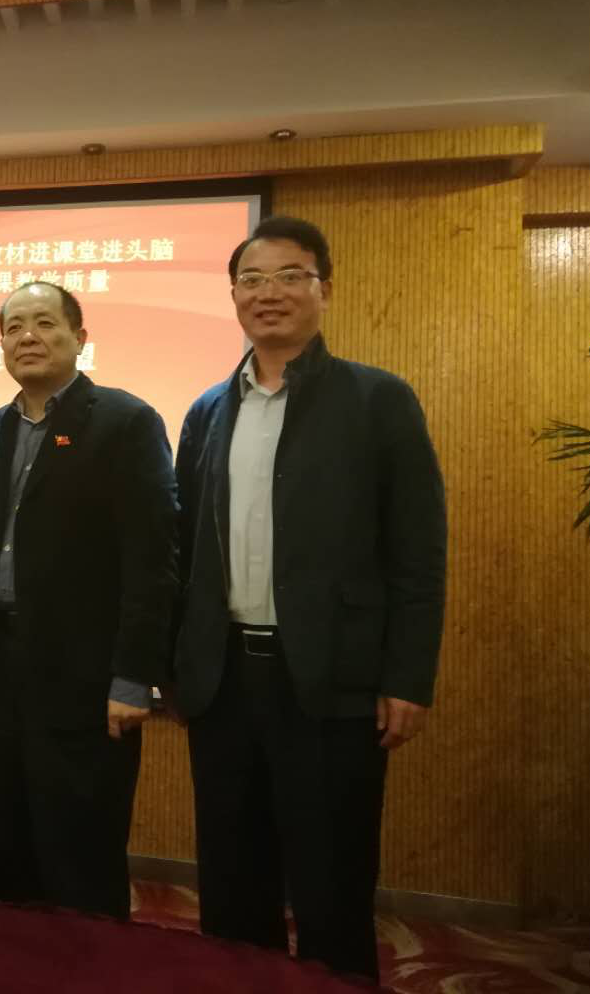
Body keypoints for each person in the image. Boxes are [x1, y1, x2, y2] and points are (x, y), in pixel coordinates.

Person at [169, 215, 447, 982]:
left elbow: (417, 552)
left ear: (325, 289)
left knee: (332, 884)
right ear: (233, 295)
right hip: (224, 681)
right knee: (231, 881)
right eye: (252, 280)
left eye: (291, 276)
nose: (270, 293)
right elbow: (184, 550)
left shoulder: (377, 400)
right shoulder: (207, 411)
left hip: (332, 681)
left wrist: (407, 676)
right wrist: (175, 665)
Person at [0, 281, 179, 918]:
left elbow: (153, 561)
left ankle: (85, 961)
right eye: (14, 327)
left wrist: (134, 676)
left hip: (86, 674)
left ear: (79, 337)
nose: (28, 337)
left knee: (80, 849)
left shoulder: (125, 422)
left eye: (45, 323)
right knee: (1, 842)